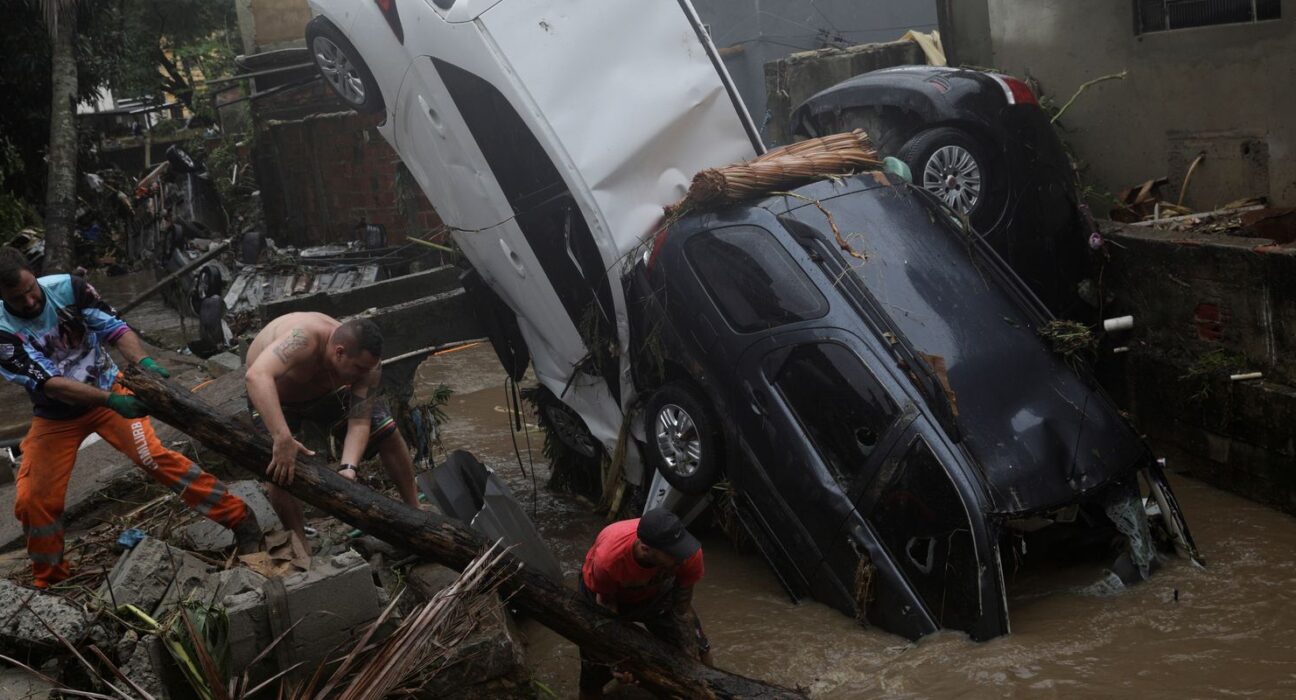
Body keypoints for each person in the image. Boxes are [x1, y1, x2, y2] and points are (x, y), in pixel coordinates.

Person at [0, 247, 260, 588]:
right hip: (58, 415)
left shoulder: (69, 288)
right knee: (34, 499)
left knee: (155, 457)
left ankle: (240, 519)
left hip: (111, 385)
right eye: (18, 300)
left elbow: (115, 329)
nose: (31, 302)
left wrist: (144, 365)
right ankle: (51, 580)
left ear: (33, 276)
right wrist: (111, 402)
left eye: (31, 290)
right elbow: (52, 384)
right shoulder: (3, 332)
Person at [244, 312, 419, 546]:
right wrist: (282, 437)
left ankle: (416, 512)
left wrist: (349, 468)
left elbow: (359, 421)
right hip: (274, 396)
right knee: (280, 465)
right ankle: (299, 542)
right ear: (339, 352)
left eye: (367, 369)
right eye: (358, 368)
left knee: (387, 431)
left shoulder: (368, 367)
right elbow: (257, 375)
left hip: (327, 393)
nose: (364, 375)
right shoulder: (304, 338)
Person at [578, 508, 713, 699]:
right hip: (604, 597)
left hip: (656, 593)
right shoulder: (609, 560)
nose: (682, 557)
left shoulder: (689, 554)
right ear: (646, 549)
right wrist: (617, 661)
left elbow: (682, 609)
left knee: (700, 649)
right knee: (595, 670)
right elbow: (607, 609)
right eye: (674, 553)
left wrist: (691, 664)